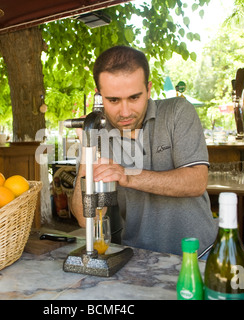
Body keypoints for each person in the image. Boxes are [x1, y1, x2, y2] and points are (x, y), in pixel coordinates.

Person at [70, 46, 217, 256]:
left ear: (148, 89)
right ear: (100, 96)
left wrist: (127, 176)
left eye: (134, 98)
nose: (125, 111)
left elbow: (196, 182)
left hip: (199, 255)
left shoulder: (177, 111)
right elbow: (86, 219)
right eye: (113, 100)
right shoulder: (99, 134)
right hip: (138, 257)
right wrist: (88, 145)